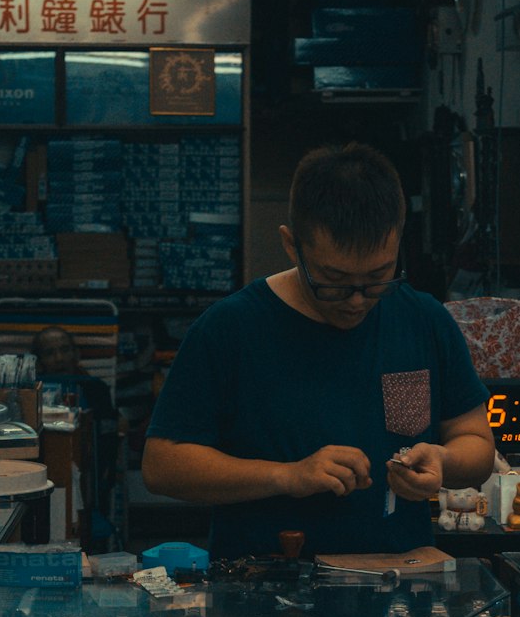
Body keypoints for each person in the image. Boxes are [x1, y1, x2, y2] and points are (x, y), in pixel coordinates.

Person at [142, 142, 494, 559]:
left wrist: (443, 461)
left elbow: (476, 441)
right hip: (261, 593)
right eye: (334, 280)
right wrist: (285, 476)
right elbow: (163, 464)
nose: (357, 300)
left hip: (399, 591)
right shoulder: (231, 329)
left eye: (379, 277)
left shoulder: (424, 320)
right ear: (292, 246)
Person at [32, 326, 125, 535]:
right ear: (39, 361)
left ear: (76, 354)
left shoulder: (95, 389)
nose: (59, 358)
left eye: (65, 350)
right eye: (49, 353)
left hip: (89, 480)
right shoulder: (31, 392)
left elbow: (107, 441)